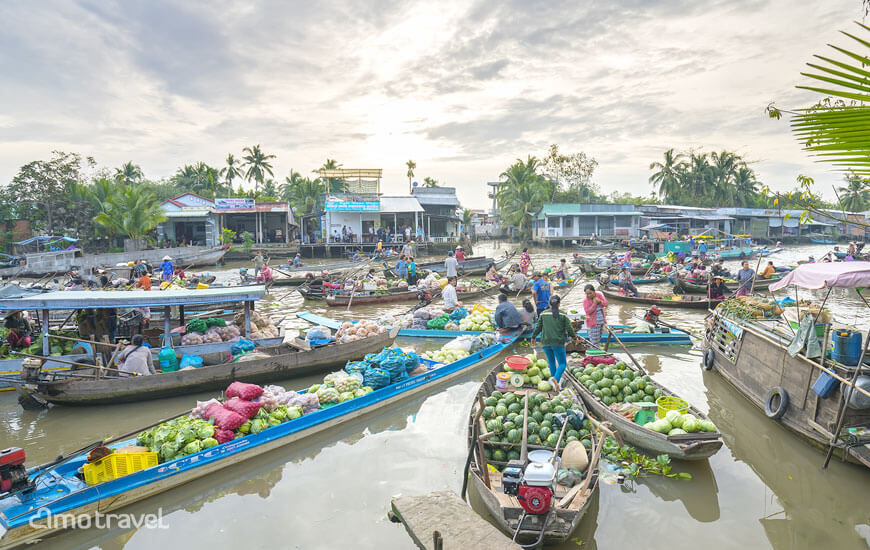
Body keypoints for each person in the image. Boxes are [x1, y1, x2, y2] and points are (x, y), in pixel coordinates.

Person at [531, 295, 578, 392]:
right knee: (562, 364)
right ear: (559, 304)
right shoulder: (563, 315)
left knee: (551, 361)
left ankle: (553, 383)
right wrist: (575, 338)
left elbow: (538, 327)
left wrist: (533, 337)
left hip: (545, 342)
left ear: (549, 304)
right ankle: (555, 379)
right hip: (558, 342)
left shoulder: (543, 314)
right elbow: (569, 329)